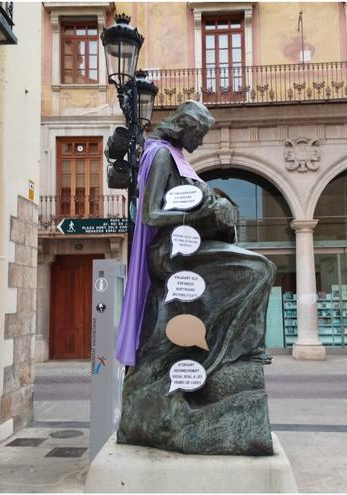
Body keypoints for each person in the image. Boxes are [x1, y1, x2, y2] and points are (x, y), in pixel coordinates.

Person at [115, 101, 277, 455]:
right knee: (257, 269)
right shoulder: (159, 155)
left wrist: (216, 207)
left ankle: (236, 350)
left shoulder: (172, 154)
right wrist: (202, 208)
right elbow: (151, 214)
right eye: (199, 135)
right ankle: (238, 350)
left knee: (257, 268)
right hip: (169, 254)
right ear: (185, 126)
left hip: (186, 246)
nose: (200, 143)